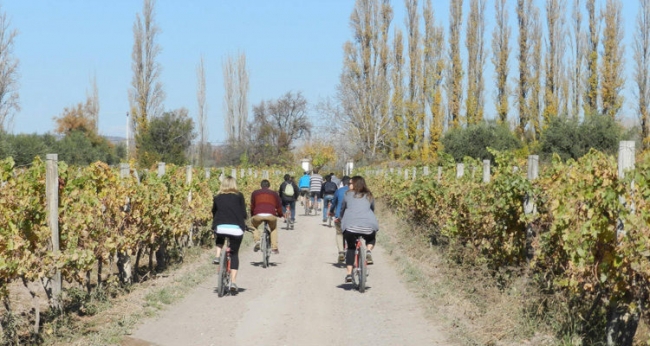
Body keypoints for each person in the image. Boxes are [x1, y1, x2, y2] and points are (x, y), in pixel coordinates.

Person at [211, 176, 247, 294]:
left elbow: (214, 211)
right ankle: (233, 281)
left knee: (220, 235)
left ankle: (217, 255)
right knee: (234, 254)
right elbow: (243, 213)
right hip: (236, 229)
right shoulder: (239, 196)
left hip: (220, 226)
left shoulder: (217, 197)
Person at [340, 175, 378, 283]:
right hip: (368, 226)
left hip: (350, 227)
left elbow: (343, 208)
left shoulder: (347, 195)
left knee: (351, 248)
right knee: (371, 238)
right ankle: (369, 251)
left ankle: (348, 274)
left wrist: (341, 218)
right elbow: (372, 208)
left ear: (355, 184)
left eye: (350, 183)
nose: (348, 185)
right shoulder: (369, 195)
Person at [251, 179, 284, 254]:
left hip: (258, 214)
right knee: (273, 228)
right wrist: (280, 214)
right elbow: (279, 206)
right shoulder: (274, 194)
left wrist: (253, 214)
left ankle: (257, 240)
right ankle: (274, 248)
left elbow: (252, 206)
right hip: (271, 215)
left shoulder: (255, 193)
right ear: (269, 186)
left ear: (260, 186)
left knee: (253, 226)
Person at [329, 175, 350, 263]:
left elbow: (333, 203)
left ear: (342, 183)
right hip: (352, 217)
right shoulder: (355, 191)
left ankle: (341, 252)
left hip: (340, 216)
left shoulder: (339, 191)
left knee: (339, 233)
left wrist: (331, 211)